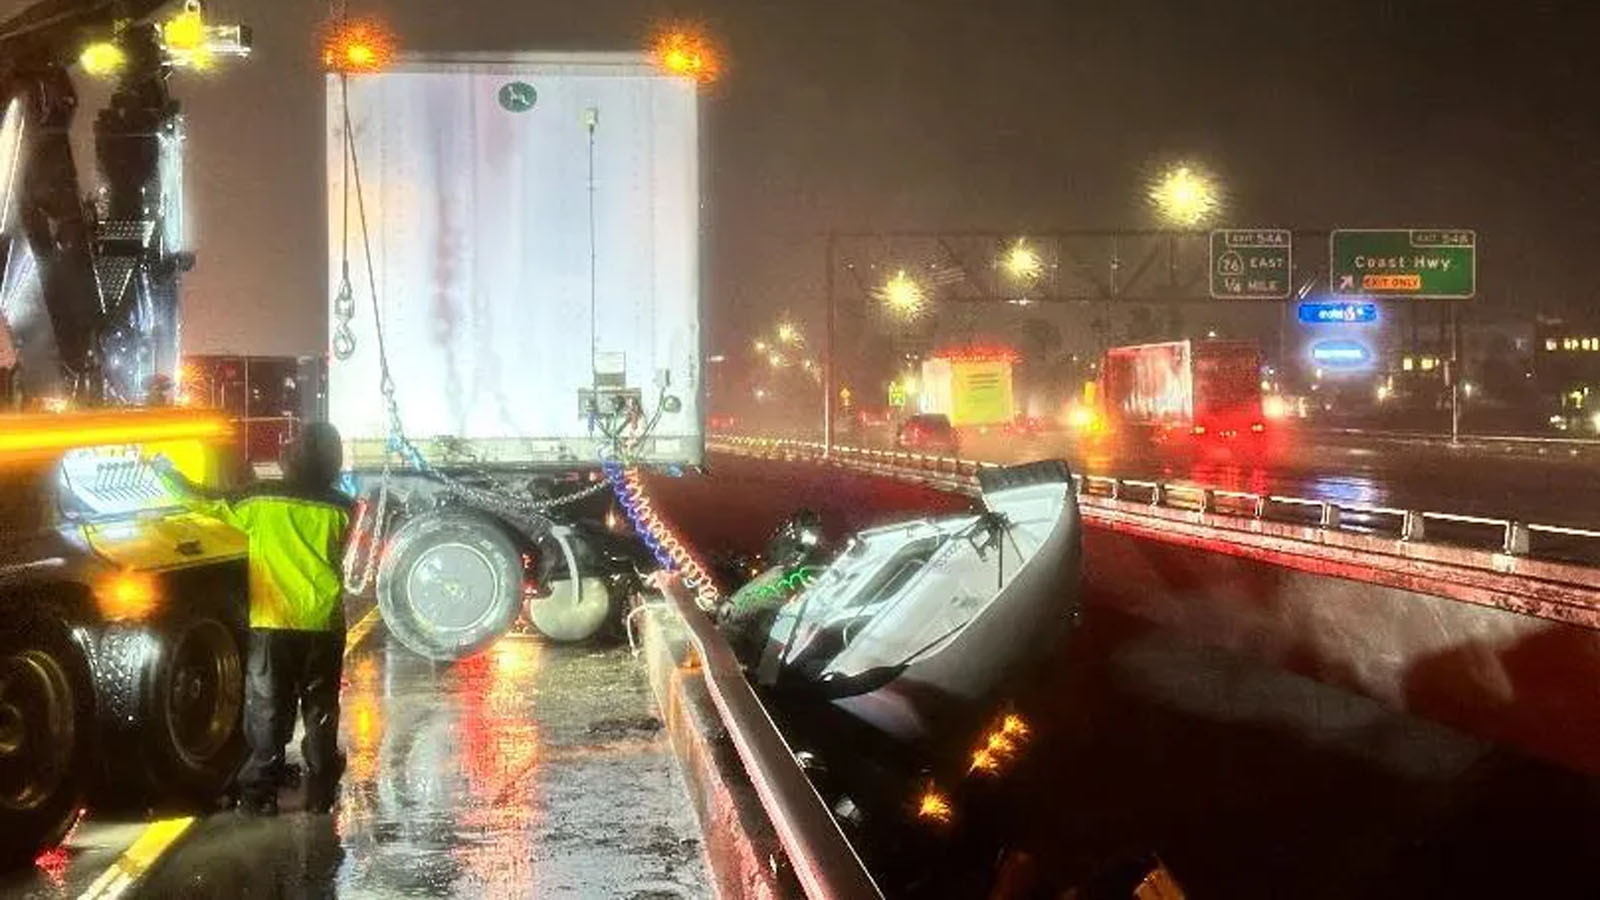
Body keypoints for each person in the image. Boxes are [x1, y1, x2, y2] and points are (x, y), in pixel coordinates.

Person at [158, 422, 353, 815]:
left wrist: (163, 470)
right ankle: (321, 791)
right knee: (320, 707)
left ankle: (259, 793)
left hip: (274, 621)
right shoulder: (343, 507)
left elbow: (205, 501)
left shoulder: (260, 499)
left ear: (293, 457)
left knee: (267, 707)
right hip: (323, 623)